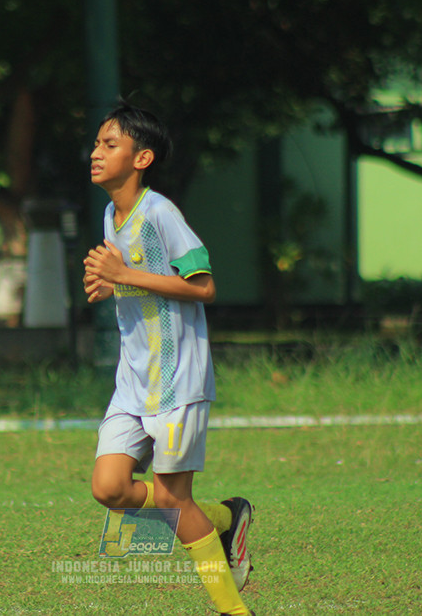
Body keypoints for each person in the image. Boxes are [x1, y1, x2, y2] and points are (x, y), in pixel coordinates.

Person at [84, 102, 254, 616]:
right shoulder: (111, 215)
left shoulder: (159, 212)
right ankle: (225, 520)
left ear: (142, 158)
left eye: (110, 145)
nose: (96, 153)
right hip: (133, 382)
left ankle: (234, 610)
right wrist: (105, 281)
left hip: (177, 380)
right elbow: (127, 276)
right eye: (96, 143)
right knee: (109, 488)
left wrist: (123, 275)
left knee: (171, 501)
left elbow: (202, 286)